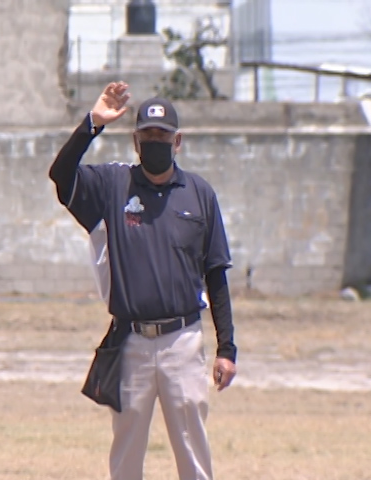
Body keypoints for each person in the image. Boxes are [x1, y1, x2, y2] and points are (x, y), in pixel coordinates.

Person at [49, 82, 237, 480]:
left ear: (178, 141)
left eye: (163, 136)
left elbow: (216, 273)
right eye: (147, 135)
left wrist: (227, 348)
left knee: (193, 454)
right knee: (127, 454)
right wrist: (92, 124)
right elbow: (61, 177)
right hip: (131, 343)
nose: (155, 142)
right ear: (135, 141)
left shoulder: (199, 194)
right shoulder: (113, 186)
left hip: (182, 342)